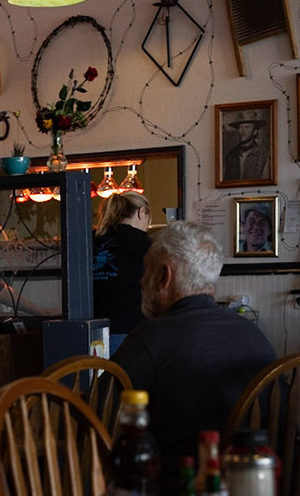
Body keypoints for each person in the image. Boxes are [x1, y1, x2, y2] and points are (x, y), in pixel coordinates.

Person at [111, 222, 276, 465]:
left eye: (146, 270)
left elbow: (97, 409)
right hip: (257, 478)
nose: (141, 280)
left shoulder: (151, 338)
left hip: (181, 482)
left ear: (164, 276)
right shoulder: (253, 334)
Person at [91, 192, 151, 336]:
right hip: (131, 327)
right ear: (141, 212)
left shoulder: (93, 240)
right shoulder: (143, 242)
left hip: (94, 327)